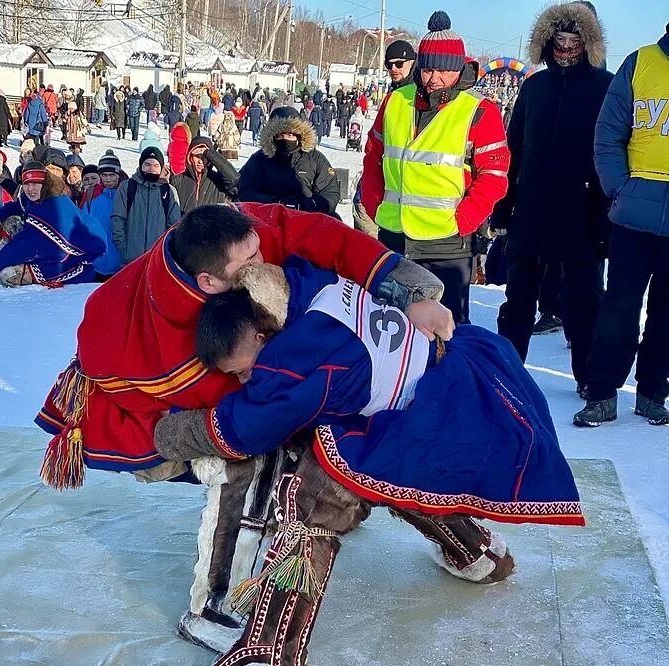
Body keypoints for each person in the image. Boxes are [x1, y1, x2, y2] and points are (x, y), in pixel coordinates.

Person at [154, 256, 583, 666]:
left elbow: (247, 427)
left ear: (262, 337)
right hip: (463, 372)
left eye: (242, 368)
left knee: (315, 493)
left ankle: (271, 655)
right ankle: (474, 551)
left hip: (454, 412)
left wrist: (174, 434)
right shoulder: (306, 285)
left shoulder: (290, 358)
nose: (245, 380)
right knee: (379, 460)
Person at [35, 204, 454, 653]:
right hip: (150, 412)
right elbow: (238, 415)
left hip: (267, 384)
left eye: (258, 249)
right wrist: (275, 396)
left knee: (357, 432)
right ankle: (213, 606)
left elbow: (316, 234)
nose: (263, 261)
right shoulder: (142, 337)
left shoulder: (238, 235)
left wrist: (409, 292)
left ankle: (469, 546)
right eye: (249, 263)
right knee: (246, 460)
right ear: (210, 284)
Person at [492, 2, 613, 395]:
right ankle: (508, 373)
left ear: (587, 42)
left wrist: (606, 215)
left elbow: (613, 152)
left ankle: (590, 381)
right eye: (558, 39)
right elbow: (514, 149)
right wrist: (504, 204)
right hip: (533, 209)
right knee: (519, 298)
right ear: (546, 42)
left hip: (583, 212)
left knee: (585, 301)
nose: (565, 47)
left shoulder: (604, 86)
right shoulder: (534, 87)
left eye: (573, 39)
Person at [362, 11, 510, 326]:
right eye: (428, 68)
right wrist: (375, 202)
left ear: (458, 68)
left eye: (443, 70)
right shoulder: (395, 101)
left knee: (449, 329)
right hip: (395, 237)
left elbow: (494, 177)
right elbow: (374, 154)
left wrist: (465, 218)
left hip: (448, 244)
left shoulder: (479, 112)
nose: (434, 78)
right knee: (392, 325)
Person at [574, 20, 669, 427]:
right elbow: (608, 134)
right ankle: (601, 393)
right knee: (619, 308)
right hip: (634, 214)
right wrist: (619, 188)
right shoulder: (641, 63)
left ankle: (652, 392)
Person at [0, 161, 106, 286]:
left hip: (76, 258)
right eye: (27, 184)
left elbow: (25, 245)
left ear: (44, 184)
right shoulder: (34, 198)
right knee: (12, 222)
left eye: (35, 184)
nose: (30, 189)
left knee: (8, 275)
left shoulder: (53, 206)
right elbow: (13, 207)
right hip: (51, 248)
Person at [238, 106, 340, 215]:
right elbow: (246, 190)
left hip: (308, 218)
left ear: (299, 136)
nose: (285, 139)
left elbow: (330, 191)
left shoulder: (315, 159)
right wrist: (274, 202)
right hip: (268, 218)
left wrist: (311, 204)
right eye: (280, 136)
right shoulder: (259, 159)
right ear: (273, 137)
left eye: (290, 135)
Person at [111, 146, 181, 266]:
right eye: (147, 164)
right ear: (141, 165)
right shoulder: (127, 187)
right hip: (130, 260)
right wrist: (124, 248)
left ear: (161, 167)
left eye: (156, 165)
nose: (151, 169)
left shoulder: (169, 191)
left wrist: (165, 251)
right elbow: (118, 218)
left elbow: (174, 225)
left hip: (157, 260)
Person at [169, 135, 239, 214]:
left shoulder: (218, 181)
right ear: (190, 157)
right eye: (197, 156)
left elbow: (236, 182)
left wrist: (209, 154)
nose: (200, 161)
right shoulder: (178, 181)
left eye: (204, 157)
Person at [89, 150, 123, 280]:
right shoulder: (92, 194)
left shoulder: (126, 193)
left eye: (112, 175)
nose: (108, 179)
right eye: (104, 175)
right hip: (96, 261)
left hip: (119, 260)